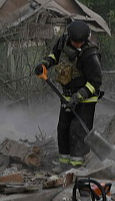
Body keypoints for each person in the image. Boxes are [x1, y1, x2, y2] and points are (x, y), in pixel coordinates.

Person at [34, 20, 102, 167]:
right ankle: (64, 164)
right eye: (75, 42)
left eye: (80, 42)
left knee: (77, 132)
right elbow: (54, 55)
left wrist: (79, 96)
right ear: (70, 38)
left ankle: (76, 167)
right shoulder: (63, 42)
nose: (78, 44)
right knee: (63, 130)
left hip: (85, 101)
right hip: (66, 97)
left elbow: (96, 82)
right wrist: (44, 65)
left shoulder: (90, 53)